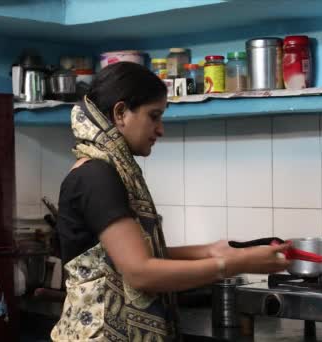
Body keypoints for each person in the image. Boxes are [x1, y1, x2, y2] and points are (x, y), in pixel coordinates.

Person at [50, 62, 291, 342]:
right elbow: (140, 272)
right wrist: (236, 264)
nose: (160, 129)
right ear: (120, 113)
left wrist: (212, 251)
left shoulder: (105, 170)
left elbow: (118, 259)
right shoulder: (96, 176)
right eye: (154, 116)